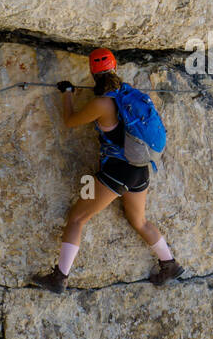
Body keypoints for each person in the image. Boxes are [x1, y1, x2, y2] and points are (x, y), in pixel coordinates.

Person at [30, 49, 183, 292]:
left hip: (116, 172)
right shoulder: (129, 94)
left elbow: (70, 120)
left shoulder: (102, 104)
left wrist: (68, 93)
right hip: (140, 170)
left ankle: (59, 278)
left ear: (92, 73)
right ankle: (169, 263)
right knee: (139, 221)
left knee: (78, 218)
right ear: (115, 69)